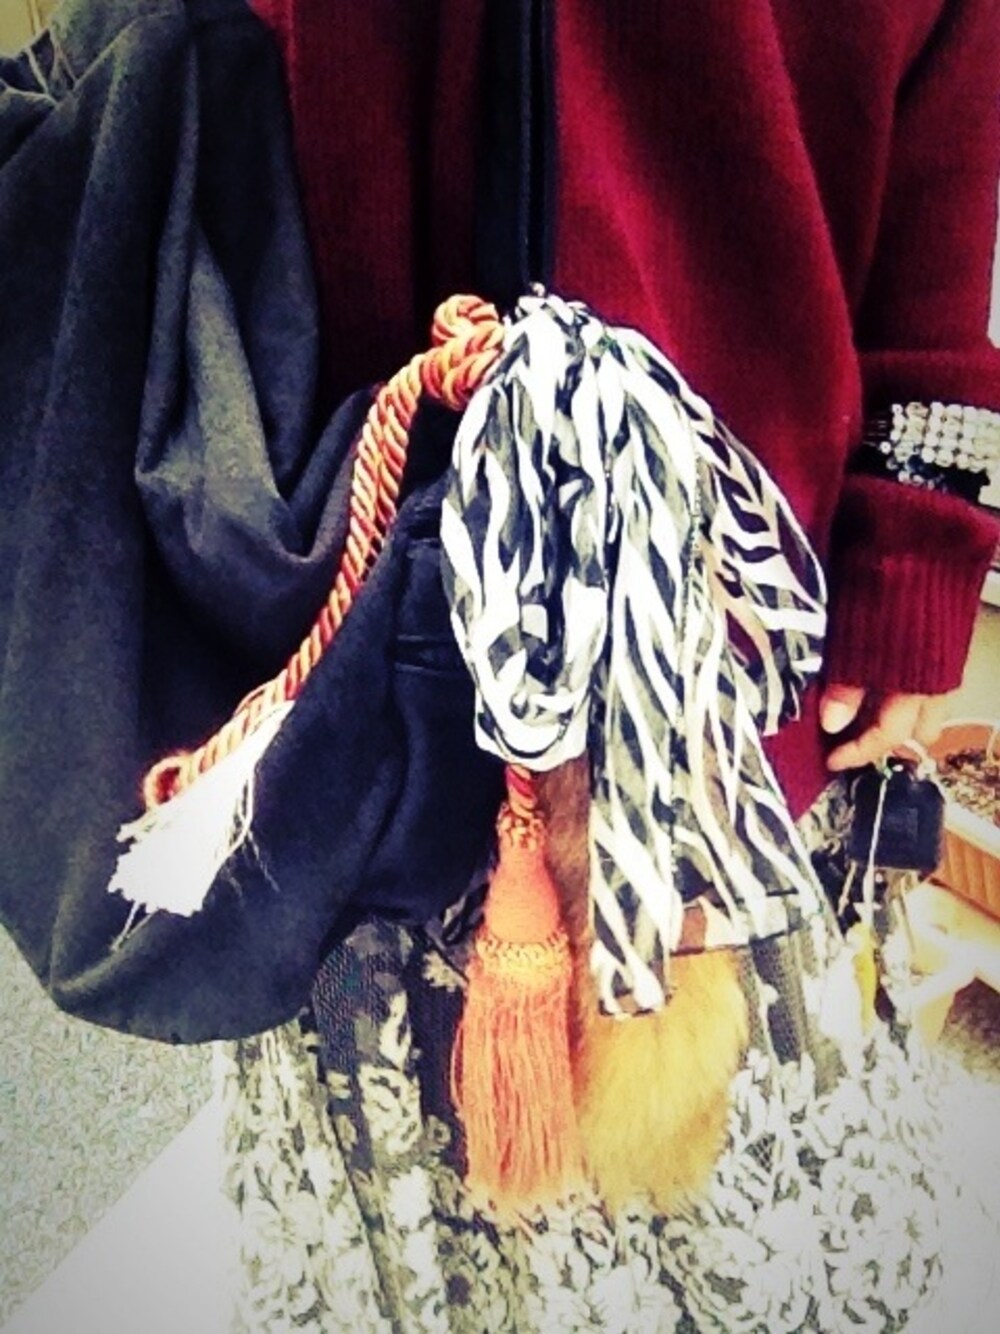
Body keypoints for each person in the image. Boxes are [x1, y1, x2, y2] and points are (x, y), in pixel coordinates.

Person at [214, 2, 1000, 1331]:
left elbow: (946, 120)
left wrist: (915, 537)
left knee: (758, 1237)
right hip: (355, 654)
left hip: (738, 674)